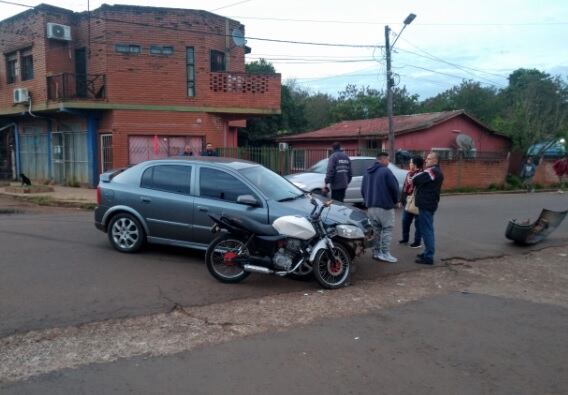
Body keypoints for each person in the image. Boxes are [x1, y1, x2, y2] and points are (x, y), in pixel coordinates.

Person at [361, 151, 400, 263]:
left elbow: (363, 190)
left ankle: (376, 252)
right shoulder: (386, 171)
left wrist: (367, 201)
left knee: (376, 230)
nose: (388, 162)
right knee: (387, 229)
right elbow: (394, 188)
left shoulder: (367, 172)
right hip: (385, 206)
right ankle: (385, 253)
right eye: (387, 160)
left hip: (371, 207)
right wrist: (396, 201)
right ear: (382, 160)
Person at [412, 152, 444, 265]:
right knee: (426, 229)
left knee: (427, 231)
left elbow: (414, 179)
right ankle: (427, 252)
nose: (426, 161)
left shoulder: (432, 171)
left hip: (426, 205)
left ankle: (429, 256)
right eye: (426, 159)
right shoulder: (436, 171)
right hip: (429, 203)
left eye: (429, 159)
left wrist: (415, 177)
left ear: (435, 161)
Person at [399, 156, 424, 248]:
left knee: (418, 224)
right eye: (410, 163)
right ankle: (405, 239)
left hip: (418, 202)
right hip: (409, 201)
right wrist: (401, 200)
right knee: (405, 221)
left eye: (411, 163)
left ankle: (417, 242)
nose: (410, 165)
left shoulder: (422, 175)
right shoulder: (409, 174)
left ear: (416, 165)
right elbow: (405, 188)